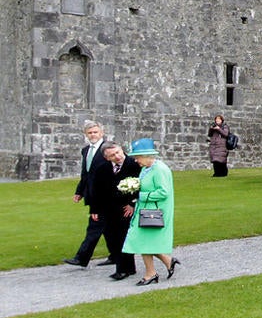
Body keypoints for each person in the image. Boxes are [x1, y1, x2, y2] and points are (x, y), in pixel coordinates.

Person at [122, 138, 180, 286]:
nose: (136, 160)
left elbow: (164, 192)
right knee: (142, 241)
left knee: (143, 241)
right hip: (145, 210)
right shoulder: (146, 168)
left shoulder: (160, 169)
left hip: (154, 212)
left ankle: (151, 273)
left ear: (147, 155)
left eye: (137, 157)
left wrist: (141, 195)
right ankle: (165, 263)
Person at [64, 120, 109, 268]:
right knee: (108, 228)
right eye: (90, 133)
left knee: (94, 227)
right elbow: (86, 174)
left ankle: (81, 258)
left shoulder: (108, 149)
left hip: (105, 195)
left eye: (95, 132)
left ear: (101, 133)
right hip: (92, 193)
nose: (93, 135)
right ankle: (116, 255)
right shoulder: (85, 150)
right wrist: (79, 192)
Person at [96, 142, 141, 281]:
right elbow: (97, 189)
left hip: (126, 208)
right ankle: (129, 267)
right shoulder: (103, 168)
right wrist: (95, 209)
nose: (117, 156)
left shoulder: (134, 164)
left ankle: (122, 269)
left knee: (122, 237)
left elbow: (141, 185)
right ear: (106, 157)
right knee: (111, 237)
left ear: (122, 150)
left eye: (118, 152)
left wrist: (132, 203)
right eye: (112, 155)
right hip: (108, 208)